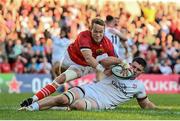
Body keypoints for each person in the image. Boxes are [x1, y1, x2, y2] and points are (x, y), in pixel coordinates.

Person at [20, 18, 118, 107]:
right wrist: (102, 69)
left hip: (81, 66)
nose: (98, 34)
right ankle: (36, 99)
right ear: (90, 29)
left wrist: (120, 66)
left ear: (104, 31)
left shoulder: (107, 43)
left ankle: (33, 100)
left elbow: (114, 59)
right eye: (95, 31)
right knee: (58, 74)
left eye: (101, 32)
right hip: (68, 59)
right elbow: (88, 58)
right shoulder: (84, 36)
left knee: (61, 78)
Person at [18, 57, 157, 111]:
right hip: (90, 89)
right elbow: (103, 63)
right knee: (62, 98)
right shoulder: (118, 69)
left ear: (141, 72)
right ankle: (31, 107)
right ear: (130, 64)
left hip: (102, 103)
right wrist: (120, 62)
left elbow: (145, 104)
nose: (134, 70)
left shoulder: (138, 87)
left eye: (138, 69)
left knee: (77, 105)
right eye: (133, 66)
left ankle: (54, 108)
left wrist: (156, 108)